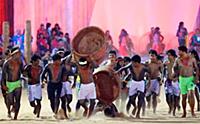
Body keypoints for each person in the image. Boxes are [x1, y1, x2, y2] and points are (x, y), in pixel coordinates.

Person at [173, 46, 199, 117]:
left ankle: (192, 112)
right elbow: (174, 68)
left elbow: (196, 68)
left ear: (183, 51)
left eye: (179, 51)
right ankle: (184, 112)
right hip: (182, 79)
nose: (178, 53)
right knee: (184, 97)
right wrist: (175, 74)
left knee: (191, 94)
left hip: (190, 79)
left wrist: (196, 78)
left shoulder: (192, 59)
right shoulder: (177, 60)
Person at [1, 46, 24, 120]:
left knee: (18, 100)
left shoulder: (20, 62)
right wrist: (3, 85)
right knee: (10, 101)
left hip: (17, 83)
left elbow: (23, 71)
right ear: (14, 54)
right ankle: (9, 111)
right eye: (18, 53)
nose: (19, 55)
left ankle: (15, 117)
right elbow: (3, 75)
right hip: (9, 84)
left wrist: (27, 74)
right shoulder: (7, 63)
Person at [145, 50, 163, 114]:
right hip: (148, 81)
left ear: (156, 56)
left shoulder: (159, 64)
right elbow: (144, 72)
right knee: (147, 96)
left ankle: (154, 110)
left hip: (156, 81)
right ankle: (148, 102)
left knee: (155, 96)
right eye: (151, 55)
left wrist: (161, 79)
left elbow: (162, 72)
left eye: (153, 56)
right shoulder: (147, 63)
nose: (152, 57)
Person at [164, 49, 180, 116]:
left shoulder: (177, 62)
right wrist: (162, 79)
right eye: (167, 55)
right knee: (168, 97)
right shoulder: (166, 62)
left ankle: (174, 110)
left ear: (173, 56)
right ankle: (170, 107)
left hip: (176, 81)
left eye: (169, 55)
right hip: (168, 81)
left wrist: (177, 78)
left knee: (175, 96)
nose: (168, 56)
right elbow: (163, 72)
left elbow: (181, 71)